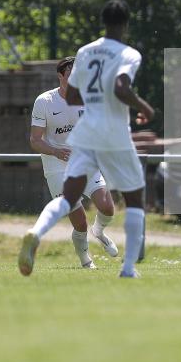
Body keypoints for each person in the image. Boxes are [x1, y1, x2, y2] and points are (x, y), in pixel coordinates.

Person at [19, 0, 155, 278]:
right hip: (113, 132)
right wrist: (144, 108)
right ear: (125, 24)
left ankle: (37, 232)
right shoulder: (129, 53)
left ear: (103, 22)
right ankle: (128, 268)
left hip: (85, 134)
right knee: (134, 198)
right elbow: (121, 88)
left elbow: (73, 96)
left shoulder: (85, 51)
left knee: (69, 197)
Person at [30, 56, 119, 269]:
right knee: (80, 222)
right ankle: (86, 261)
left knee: (107, 207)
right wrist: (55, 151)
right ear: (60, 76)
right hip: (56, 167)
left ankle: (99, 232)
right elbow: (35, 140)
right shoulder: (45, 101)